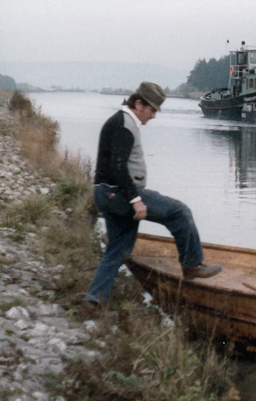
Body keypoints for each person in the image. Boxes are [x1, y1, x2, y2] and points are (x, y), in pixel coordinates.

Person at [80, 82, 221, 318]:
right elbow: (117, 168)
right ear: (138, 104)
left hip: (106, 193)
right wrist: (136, 200)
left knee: (118, 250)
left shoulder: (120, 122)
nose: (154, 116)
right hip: (118, 194)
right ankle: (192, 265)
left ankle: (92, 304)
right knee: (179, 212)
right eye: (152, 109)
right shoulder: (125, 125)